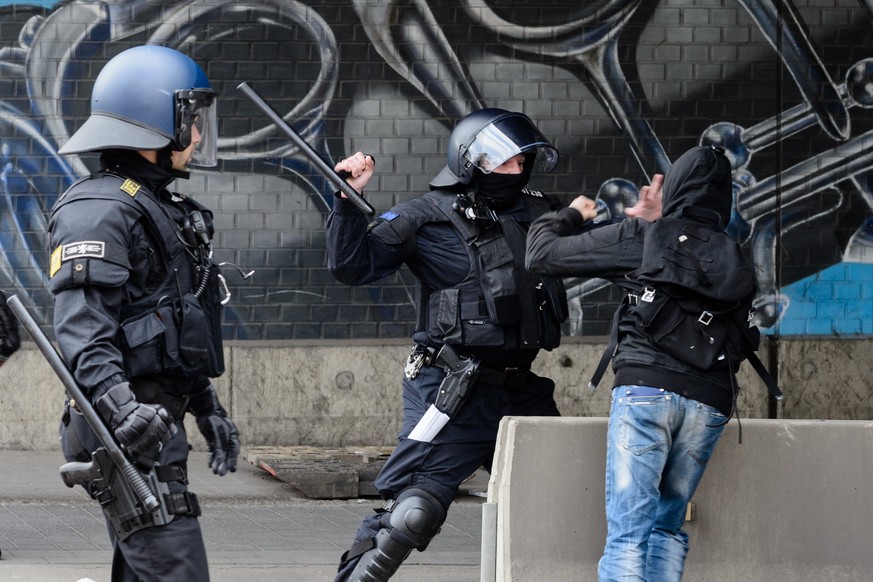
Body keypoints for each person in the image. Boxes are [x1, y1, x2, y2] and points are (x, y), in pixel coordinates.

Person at [325, 108, 579, 581]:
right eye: (502, 163)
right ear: (470, 162)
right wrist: (346, 198)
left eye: (521, 162)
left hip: (522, 392)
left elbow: (597, 256)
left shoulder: (542, 213)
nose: (514, 171)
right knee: (411, 514)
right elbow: (352, 267)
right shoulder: (427, 217)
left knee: (567, 503)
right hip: (453, 389)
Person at [49, 45, 240, 581]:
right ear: (154, 122)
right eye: (191, 119)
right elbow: (84, 335)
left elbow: (176, 323)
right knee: (174, 568)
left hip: (153, 421)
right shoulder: (99, 210)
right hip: (122, 429)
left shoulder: (159, 207)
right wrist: (123, 413)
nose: (198, 135)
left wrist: (206, 406)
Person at [526, 144, 746, 581]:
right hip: (710, 402)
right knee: (666, 527)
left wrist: (572, 214)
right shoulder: (733, 253)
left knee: (629, 535)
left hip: (646, 390)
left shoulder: (643, 239)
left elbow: (542, 255)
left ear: (676, 185)